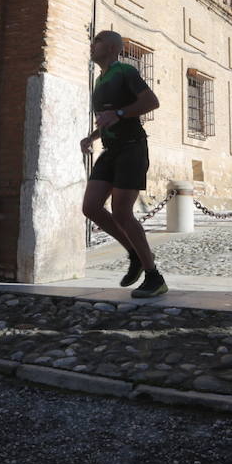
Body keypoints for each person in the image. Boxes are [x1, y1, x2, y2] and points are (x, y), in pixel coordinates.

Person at [80, 30, 166, 298]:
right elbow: (108, 118)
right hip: (110, 149)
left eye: (98, 40)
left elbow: (152, 102)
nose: (93, 44)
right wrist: (92, 136)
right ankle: (135, 254)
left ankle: (154, 277)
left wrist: (117, 113)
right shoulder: (99, 79)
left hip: (132, 148)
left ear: (113, 47)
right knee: (91, 207)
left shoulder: (125, 72)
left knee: (121, 212)